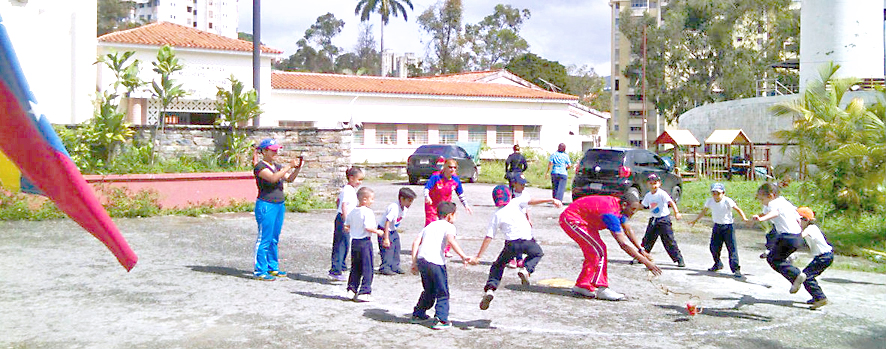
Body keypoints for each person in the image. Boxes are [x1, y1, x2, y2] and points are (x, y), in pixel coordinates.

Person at [474, 182, 562, 310]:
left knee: (498, 265)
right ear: (509, 195)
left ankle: (490, 289)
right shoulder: (515, 203)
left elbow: (489, 236)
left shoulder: (497, 214)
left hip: (511, 244)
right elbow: (531, 201)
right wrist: (550, 199)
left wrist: (478, 256)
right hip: (527, 241)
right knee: (537, 253)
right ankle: (526, 269)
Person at [559, 194, 662, 301]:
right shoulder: (610, 214)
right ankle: (601, 288)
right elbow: (623, 244)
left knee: (596, 251)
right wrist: (646, 262)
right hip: (572, 219)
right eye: (633, 209)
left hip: (587, 221)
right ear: (625, 205)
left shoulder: (621, 208)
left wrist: (641, 250)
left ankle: (582, 285)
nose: (634, 212)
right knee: (599, 251)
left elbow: (628, 229)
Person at [410, 201, 476, 330]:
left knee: (429, 289)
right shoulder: (449, 226)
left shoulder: (430, 225)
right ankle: (441, 319)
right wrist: (463, 256)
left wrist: (414, 262)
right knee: (442, 291)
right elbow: (451, 240)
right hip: (435, 261)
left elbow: (415, 242)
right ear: (450, 215)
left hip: (422, 260)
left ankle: (418, 314)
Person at [252, 138, 302, 281]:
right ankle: (260, 270)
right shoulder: (260, 167)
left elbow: (289, 179)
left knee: (274, 238)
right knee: (264, 238)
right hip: (266, 204)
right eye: (273, 150)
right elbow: (273, 178)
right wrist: (289, 166)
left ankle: (272, 267)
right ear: (265, 151)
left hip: (279, 204)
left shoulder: (277, 166)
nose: (276, 152)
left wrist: (297, 168)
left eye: (276, 149)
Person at [752, 182, 807, 295]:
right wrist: (756, 218)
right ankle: (795, 277)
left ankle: (796, 275)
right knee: (778, 258)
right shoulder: (784, 202)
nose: (762, 202)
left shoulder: (773, 203)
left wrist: (762, 219)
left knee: (773, 259)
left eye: (762, 199)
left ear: (771, 196)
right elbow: (797, 218)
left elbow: (774, 213)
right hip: (797, 237)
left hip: (787, 237)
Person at [689, 182, 748, 277]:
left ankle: (736, 269)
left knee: (731, 248)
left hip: (728, 227)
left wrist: (744, 218)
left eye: (718, 193)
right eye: (714, 193)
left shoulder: (727, 201)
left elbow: (738, 209)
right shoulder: (710, 201)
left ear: (723, 193)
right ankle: (717, 263)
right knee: (713, 247)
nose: (716, 196)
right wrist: (695, 220)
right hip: (717, 226)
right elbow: (704, 211)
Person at [424, 158, 473, 257]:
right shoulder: (436, 177)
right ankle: (427, 246)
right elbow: (427, 188)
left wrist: (466, 205)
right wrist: (427, 197)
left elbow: (460, 194)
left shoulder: (455, 179)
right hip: (432, 205)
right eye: (450, 167)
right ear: (445, 167)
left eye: (454, 168)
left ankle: (445, 249)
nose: (452, 169)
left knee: (448, 227)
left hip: (446, 205)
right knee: (431, 226)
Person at [344, 187, 384, 302]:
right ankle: (365, 291)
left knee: (355, 267)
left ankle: (351, 289)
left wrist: (354, 229)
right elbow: (368, 227)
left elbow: (346, 226)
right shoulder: (367, 212)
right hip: (364, 242)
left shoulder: (352, 211)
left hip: (354, 242)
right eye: (372, 199)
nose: (373, 201)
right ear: (365, 200)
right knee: (367, 267)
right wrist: (378, 232)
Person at [640, 173, 685, 267]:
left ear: (659, 183)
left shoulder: (662, 193)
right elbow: (642, 206)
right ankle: (642, 256)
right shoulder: (648, 195)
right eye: (651, 183)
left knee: (669, 240)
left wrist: (676, 212)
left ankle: (679, 259)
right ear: (647, 184)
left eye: (655, 183)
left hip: (664, 220)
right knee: (648, 239)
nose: (653, 185)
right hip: (653, 219)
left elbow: (671, 202)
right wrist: (631, 211)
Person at [329, 167, 364, 281]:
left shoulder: (350, 190)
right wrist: (346, 221)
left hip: (345, 219)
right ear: (351, 178)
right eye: (358, 179)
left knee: (345, 243)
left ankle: (341, 265)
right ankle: (335, 270)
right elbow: (343, 205)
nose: (360, 182)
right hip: (343, 219)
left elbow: (338, 201)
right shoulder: (347, 190)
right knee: (340, 244)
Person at [797, 207, 833, 310]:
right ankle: (816, 296)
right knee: (808, 276)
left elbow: (801, 236)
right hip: (823, 256)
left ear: (805, 220)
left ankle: (821, 298)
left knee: (806, 276)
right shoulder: (809, 228)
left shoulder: (811, 228)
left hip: (824, 256)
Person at [376, 187, 417, 275]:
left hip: (393, 229)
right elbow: (387, 222)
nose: (410, 203)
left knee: (396, 247)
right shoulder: (394, 207)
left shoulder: (404, 207)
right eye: (409, 201)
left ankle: (395, 266)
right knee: (388, 249)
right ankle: (385, 267)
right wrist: (386, 238)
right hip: (384, 229)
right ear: (402, 199)